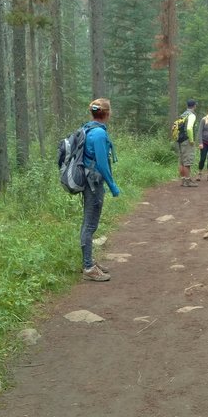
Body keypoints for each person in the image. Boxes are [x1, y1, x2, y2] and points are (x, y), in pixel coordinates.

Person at [80, 98, 120, 282]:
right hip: (94, 183)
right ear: (107, 113)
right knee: (89, 225)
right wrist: (113, 186)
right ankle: (88, 267)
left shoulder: (88, 129)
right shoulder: (98, 134)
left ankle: (89, 262)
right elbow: (103, 165)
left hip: (89, 181)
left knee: (89, 224)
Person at [177, 99, 199, 187]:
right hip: (186, 140)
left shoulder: (183, 114)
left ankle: (183, 180)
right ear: (194, 106)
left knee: (182, 161)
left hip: (180, 139)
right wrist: (191, 139)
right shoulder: (191, 115)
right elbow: (189, 128)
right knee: (187, 161)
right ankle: (187, 181)